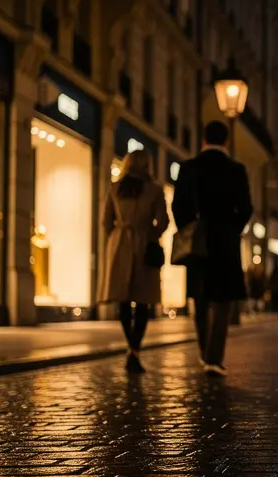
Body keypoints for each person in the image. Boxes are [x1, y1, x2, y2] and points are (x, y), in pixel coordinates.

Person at [172, 121, 253, 376]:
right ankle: (214, 357)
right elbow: (247, 207)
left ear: (203, 140)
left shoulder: (189, 168)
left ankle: (203, 351)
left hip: (198, 240)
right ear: (226, 142)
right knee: (223, 301)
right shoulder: (236, 169)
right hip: (226, 242)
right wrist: (232, 228)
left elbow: (177, 205)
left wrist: (189, 227)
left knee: (200, 297)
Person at [99, 150, 169, 373]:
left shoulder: (116, 187)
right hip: (144, 244)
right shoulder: (155, 189)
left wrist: (117, 234)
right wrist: (151, 232)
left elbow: (105, 221)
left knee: (123, 299)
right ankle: (134, 350)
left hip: (120, 245)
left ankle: (131, 347)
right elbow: (164, 221)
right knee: (142, 301)